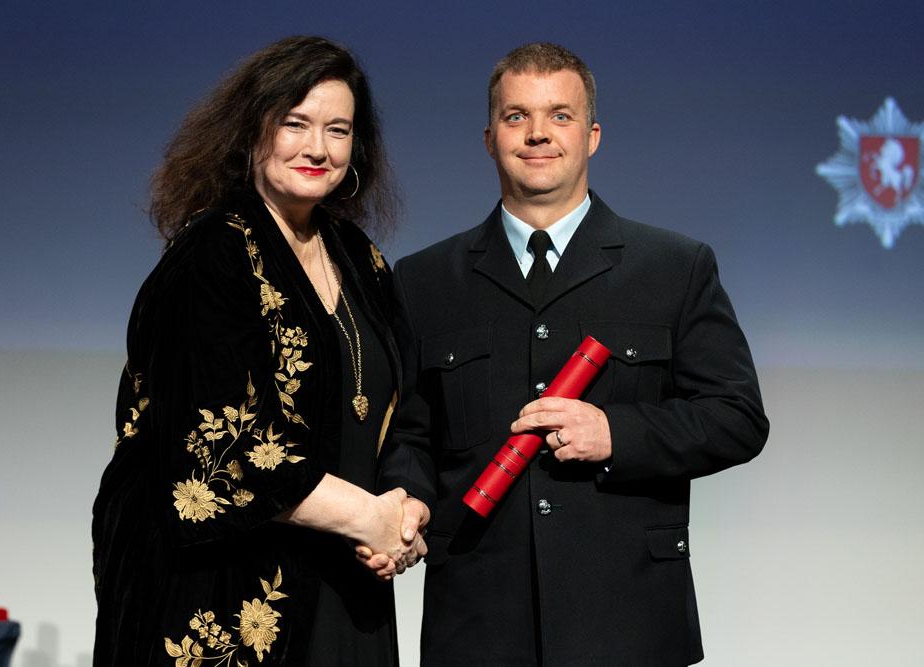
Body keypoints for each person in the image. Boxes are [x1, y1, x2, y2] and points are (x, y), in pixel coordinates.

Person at [379, 43, 770, 665]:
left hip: (628, 620)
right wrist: (405, 502)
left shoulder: (673, 266)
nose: (537, 134)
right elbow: (408, 435)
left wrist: (617, 431)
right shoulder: (424, 280)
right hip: (478, 622)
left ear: (592, 136)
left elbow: (738, 419)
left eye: (559, 116)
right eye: (516, 117)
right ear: (488, 138)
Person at [91, 36, 427, 667]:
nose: (318, 148)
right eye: (294, 124)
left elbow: (401, 414)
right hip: (225, 589)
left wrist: (403, 516)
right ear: (252, 131)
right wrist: (365, 515)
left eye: (338, 129)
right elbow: (222, 439)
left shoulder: (364, 261)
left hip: (347, 581)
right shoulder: (212, 255)